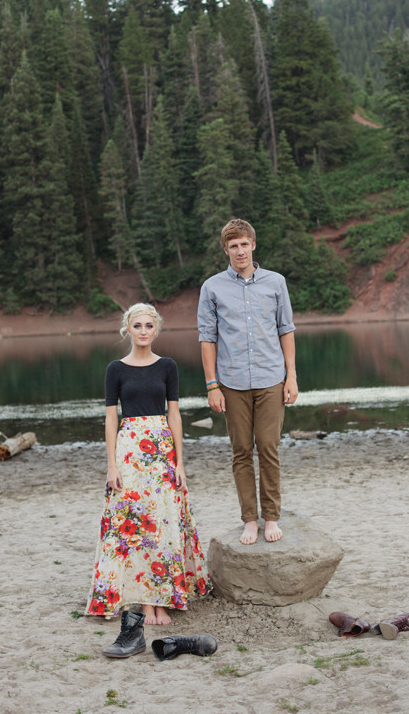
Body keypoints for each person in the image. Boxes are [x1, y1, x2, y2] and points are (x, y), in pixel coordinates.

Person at [86, 303, 211, 640]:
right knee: (134, 525)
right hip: (129, 450)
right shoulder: (115, 369)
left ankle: (161, 599)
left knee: (164, 522)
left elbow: (175, 415)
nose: (143, 331)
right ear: (128, 328)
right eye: (137, 325)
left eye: (149, 326)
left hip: (161, 449)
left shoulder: (167, 366)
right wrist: (112, 464)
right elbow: (111, 418)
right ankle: (143, 600)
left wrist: (180, 462)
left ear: (156, 329)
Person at [197, 218, 298, 546]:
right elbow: (208, 338)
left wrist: (291, 377)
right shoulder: (212, 288)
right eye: (233, 246)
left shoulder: (275, 282)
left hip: (271, 378)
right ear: (225, 250)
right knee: (241, 451)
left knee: (268, 447)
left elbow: (286, 329)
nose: (240, 251)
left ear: (253, 245)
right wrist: (212, 385)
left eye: (244, 244)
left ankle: (272, 517)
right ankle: (250, 520)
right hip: (232, 382)